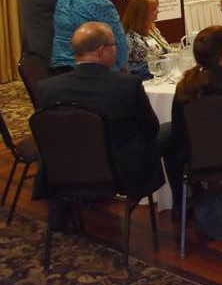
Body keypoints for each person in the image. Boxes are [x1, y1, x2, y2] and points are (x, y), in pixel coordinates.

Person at [36, 22, 164, 198]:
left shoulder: (46, 89)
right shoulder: (127, 85)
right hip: (119, 173)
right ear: (102, 51)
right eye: (114, 45)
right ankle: (179, 201)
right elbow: (150, 128)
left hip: (64, 169)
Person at [164, 25, 222, 217]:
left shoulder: (185, 88)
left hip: (198, 160)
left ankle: (180, 203)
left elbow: (180, 131)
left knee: (169, 142)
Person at [50, 0, 129, 72]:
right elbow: (119, 44)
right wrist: (123, 69)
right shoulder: (101, 4)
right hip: (91, 71)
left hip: (60, 68)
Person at [122, 0, 173, 78]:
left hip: (162, 74)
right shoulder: (132, 38)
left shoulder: (152, 29)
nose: (158, 11)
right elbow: (148, 63)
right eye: (154, 9)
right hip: (146, 78)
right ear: (141, 14)